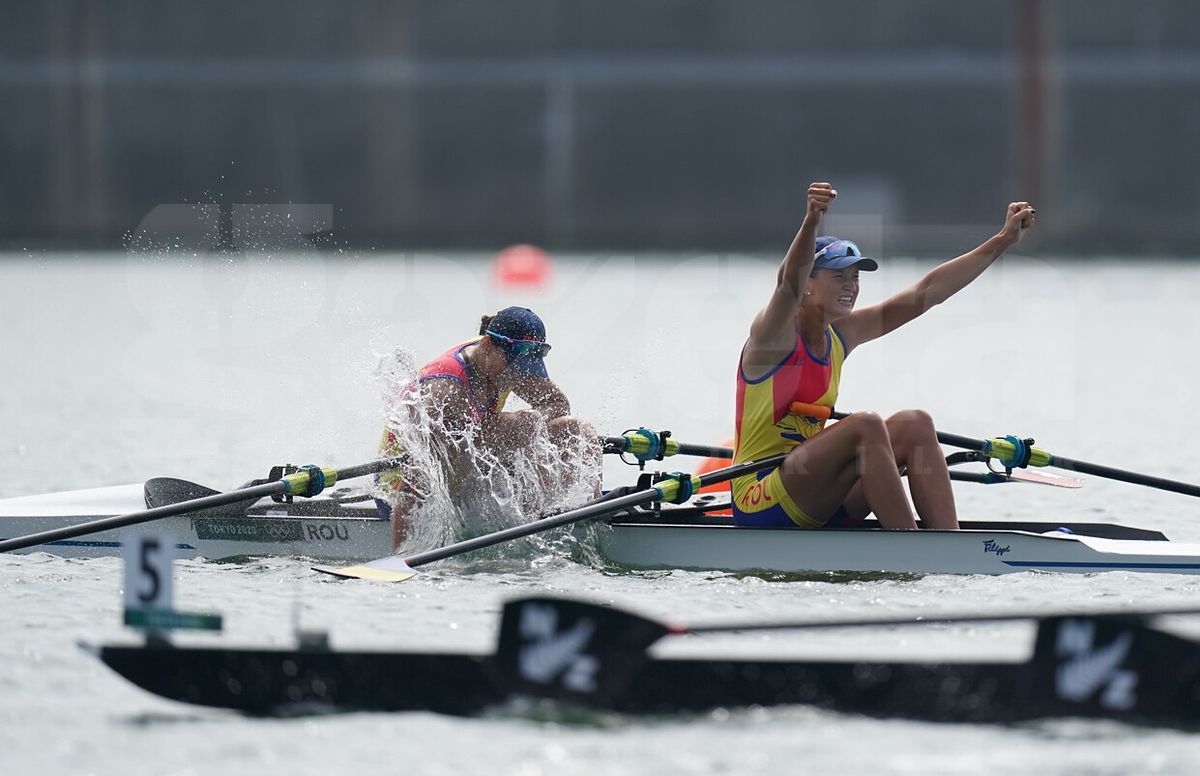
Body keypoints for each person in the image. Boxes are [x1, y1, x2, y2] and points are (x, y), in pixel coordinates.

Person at [732, 182, 1036, 530]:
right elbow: (787, 284)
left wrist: (1002, 241)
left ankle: (949, 544)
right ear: (809, 284)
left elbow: (927, 292)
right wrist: (812, 221)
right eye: (839, 276)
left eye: (855, 276)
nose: (851, 285)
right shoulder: (773, 336)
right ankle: (909, 549)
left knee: (916, 424)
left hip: (817, 491)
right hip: (761, 498)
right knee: (865, 424)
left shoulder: (843, 334)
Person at [379, 306, 598, 548]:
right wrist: (402, 557)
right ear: (486, 346)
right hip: (399, 484)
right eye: (515, 365)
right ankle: (535, 512)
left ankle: (585, 518)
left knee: (577, 430)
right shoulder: (445, 391)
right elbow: (417, 478)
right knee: (513, 428)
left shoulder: (502, 357)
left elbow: (555, 403)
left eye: (525, 367)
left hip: (467, 470)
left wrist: (532, 423)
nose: (518, 375)